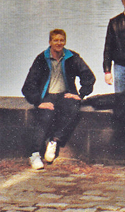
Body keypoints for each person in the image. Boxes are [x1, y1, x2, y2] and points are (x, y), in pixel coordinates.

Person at [22, 29, 96, 170]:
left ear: (65, 41)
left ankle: (54, 141)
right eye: (55, 40)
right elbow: (28, 85)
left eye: (61, 40)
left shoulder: (72, 57)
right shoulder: (41, 59)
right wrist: (38, 102)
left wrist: (80, 94)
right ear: (50, 42)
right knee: (45, 116)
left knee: (73, 108)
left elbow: (89, 76)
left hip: (65, 94)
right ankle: (35, 154)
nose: (59, 43)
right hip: (47, 96)